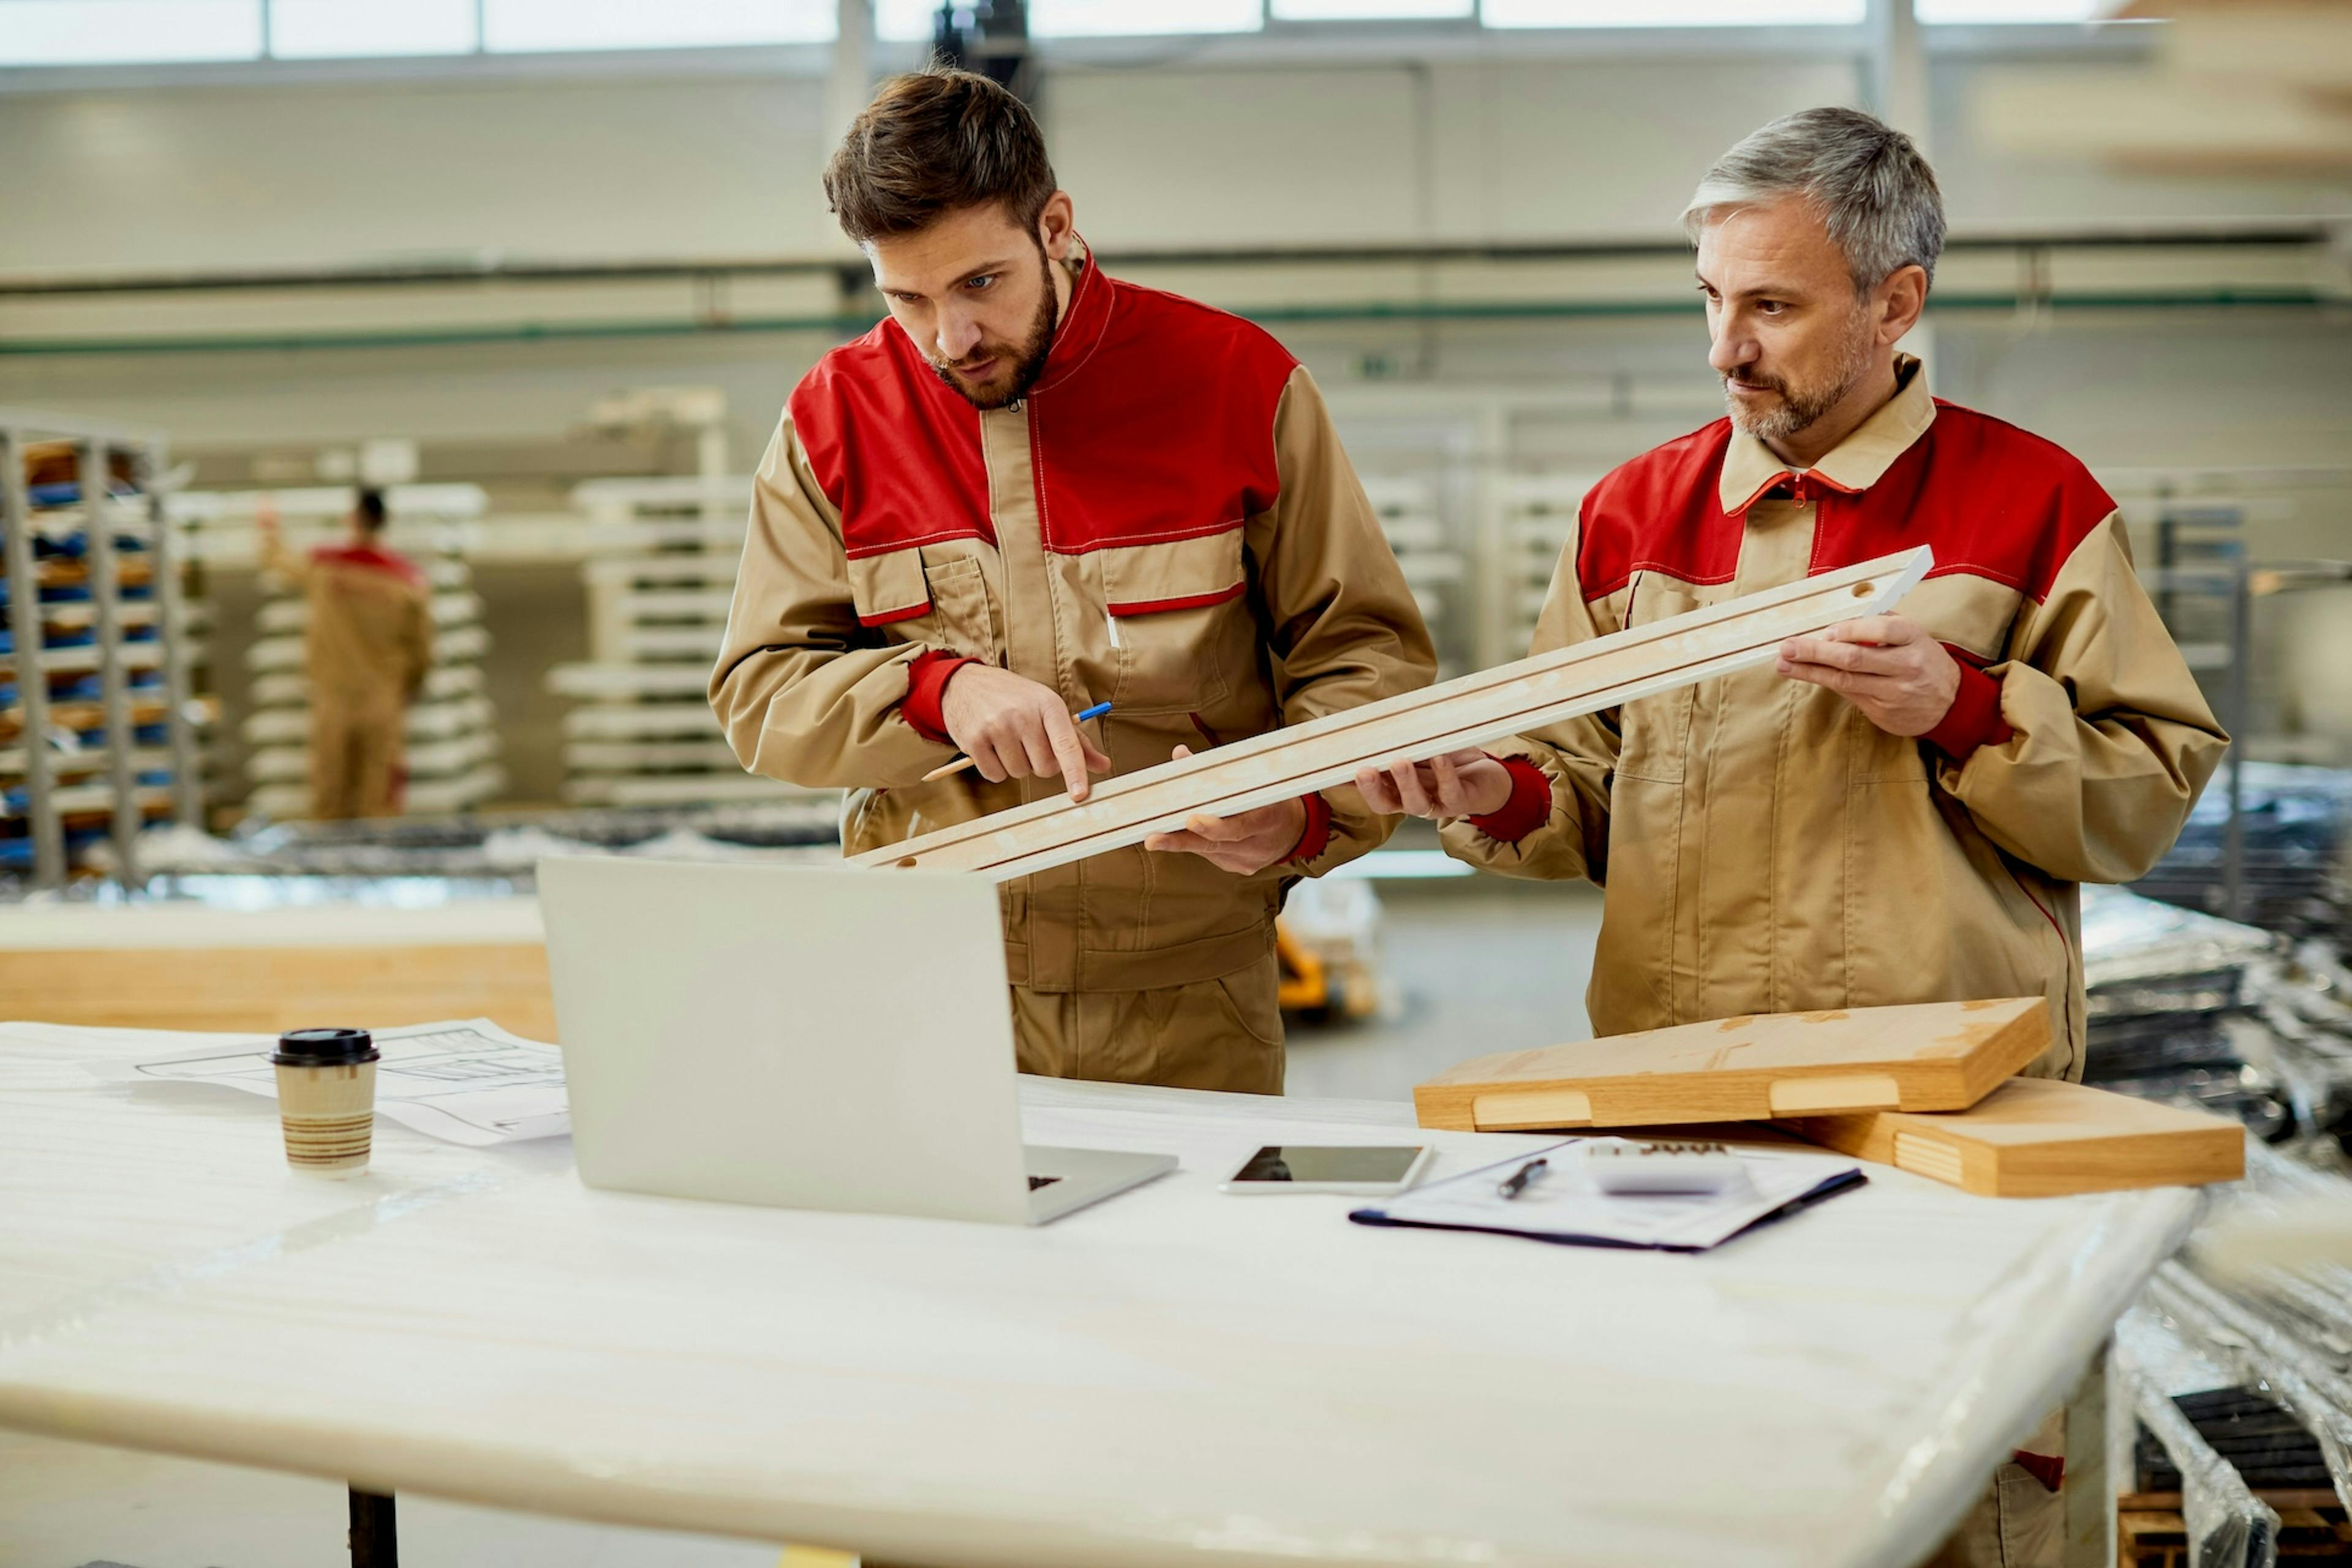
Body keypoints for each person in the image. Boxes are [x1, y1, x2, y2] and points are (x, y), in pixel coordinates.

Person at [1357, 106, 2225, 1568]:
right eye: (1710, 298)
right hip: (1676, 1113)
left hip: (1941, 1120)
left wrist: (1965, 705)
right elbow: (1585, 790)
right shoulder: (1629, 517)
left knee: (1972, 1497)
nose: (1725, 346)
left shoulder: (2033, 505)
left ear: (1896, 301)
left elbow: (2144, 791)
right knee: (1703, 1492)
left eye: (1770, 304)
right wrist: (1487, 790)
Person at [710, 67, 1435, 1096]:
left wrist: (1304, 812)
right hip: (925, 995)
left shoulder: (1235, 382)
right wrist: (937, 690)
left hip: (1184, 1004)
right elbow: (762, 690)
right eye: (906, 298)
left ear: (1054, 227)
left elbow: (1366, 655)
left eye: (981, 284)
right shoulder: (835, 417)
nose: (950, 339)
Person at [257, 488, 432, 821]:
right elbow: (421, 647)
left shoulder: (326, 568)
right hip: (383, 696)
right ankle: (377, 850)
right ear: (385, 522)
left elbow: (277, 562)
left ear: (352, 519)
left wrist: (268, 528)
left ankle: (329, 851)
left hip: (333, 692)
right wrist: (410, 686)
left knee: (331, 786)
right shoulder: (407, 582)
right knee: (378, 790)